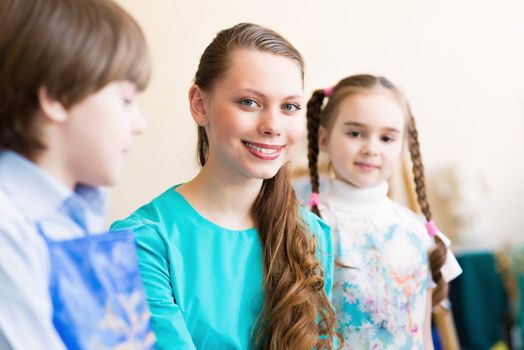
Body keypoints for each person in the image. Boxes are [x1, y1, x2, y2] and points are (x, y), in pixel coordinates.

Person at [112, 23, 339, 349]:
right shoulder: (142, 242)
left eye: (288, 106)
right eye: (249, 102)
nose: (272, 126)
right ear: (200, 105)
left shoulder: (312, 235)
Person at [0, 0, 155, 348]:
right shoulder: (7, 228)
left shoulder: (78, 215)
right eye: (126, 100)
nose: (139, 125)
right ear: (57, 96)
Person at [306, 74, 462, 349]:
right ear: (323, 138)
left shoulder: (416, 232)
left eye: (387, 138)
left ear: (402, 146)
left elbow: (423, 336)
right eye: (355, 133)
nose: (371, 149)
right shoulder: (307, 227)